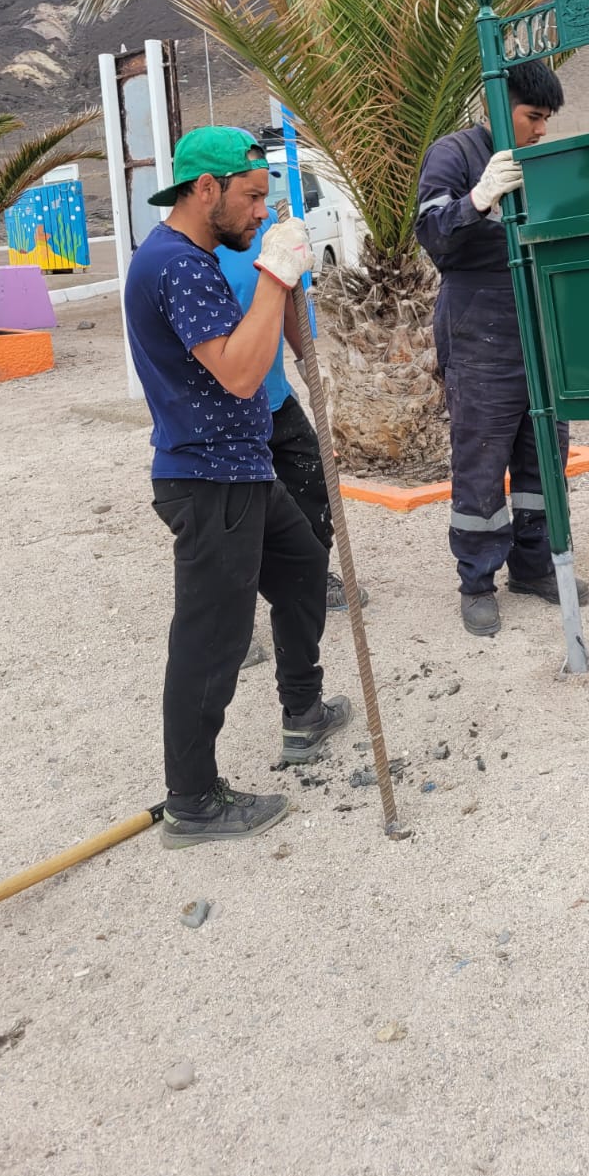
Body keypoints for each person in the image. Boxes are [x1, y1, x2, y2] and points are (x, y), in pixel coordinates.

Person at [124, 126, 348, 848]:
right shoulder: (177, 266)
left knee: (305, 562)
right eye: (251, 198)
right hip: (209, 481)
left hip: (240, 469)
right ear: (205, 189)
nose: (260, 213)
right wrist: (277, 278)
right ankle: (192, 802)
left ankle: (303, 711)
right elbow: (241, 372)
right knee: (211, 640)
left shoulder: (187, 256)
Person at [416, 59, 589, 637]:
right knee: (482, 462)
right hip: (478, 333)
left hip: (542, 330)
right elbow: (434, 238)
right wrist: (479, 198)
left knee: (545, 455)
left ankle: (535, 567)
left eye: (546, 120)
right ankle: (477, 581)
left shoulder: (540, 163)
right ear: (498, 105)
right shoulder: (455, 155)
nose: (540, 130)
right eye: (532, 117)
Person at [215, 186, 368, 640]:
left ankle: (311, 576)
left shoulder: (264, 237)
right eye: (251, 192)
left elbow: (284, 306)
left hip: (275, 399)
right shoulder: (194, 256)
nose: (259, 207)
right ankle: (227, 623)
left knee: (313, 483)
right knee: (233, 516)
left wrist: (309, 366)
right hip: (224, 413)